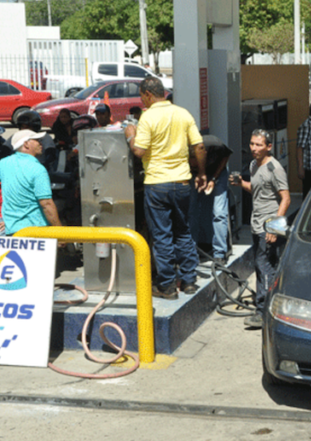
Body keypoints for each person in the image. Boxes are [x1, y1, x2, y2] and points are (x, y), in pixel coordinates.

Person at [123, 76, 207, 300]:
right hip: (182, 183)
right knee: (183, 231)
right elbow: (199, 146)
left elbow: (139, 151)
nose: (142, 101)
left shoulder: (147, 117)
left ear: (148, 95)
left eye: (142, 97)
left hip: (157, 184)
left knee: (161, 235)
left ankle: (167, 286)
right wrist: (202, 173)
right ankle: (189, 280)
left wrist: (131, 136)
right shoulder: (183, 113)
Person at [229, 129, 290, 329]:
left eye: (259, 145)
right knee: (262, 266)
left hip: (269, 227)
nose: (254, 148)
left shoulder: (275, 169)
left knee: (264, 267)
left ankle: (264, 312)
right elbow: (256, 189)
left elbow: (286, 199)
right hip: (257, 225)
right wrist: (241, 183)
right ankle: (272, 306)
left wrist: (274, 228)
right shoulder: (255, 165)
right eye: (252, 144)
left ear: (269, 147)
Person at [0, 129, 62, 236]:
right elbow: (46, 203)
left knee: (13, 254)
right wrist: (59, 231)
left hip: (12, 230)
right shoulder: (38, 169)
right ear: (26, 144)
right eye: (37, 140)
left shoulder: (5, 163)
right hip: (35, 231)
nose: (41, 143)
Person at [189, 134, 232, 264]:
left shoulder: (215, 144)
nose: (194, 166)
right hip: (195, 177)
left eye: (196, 165)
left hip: (218, 172)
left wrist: (213, 178)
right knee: (192, 211)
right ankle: (192, 252)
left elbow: (226, 157)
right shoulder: (185, 152)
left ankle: (220, 253)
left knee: (219, 212)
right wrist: (196, 173)